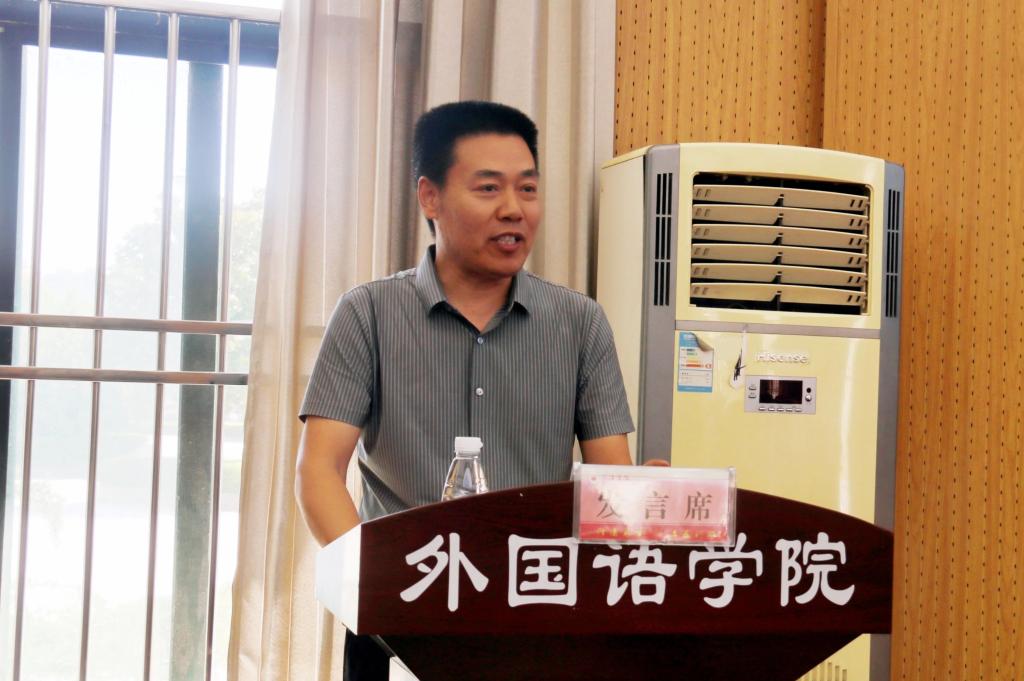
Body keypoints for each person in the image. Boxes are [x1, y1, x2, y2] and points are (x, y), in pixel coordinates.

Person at [295, 100, 637, 680]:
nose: (514, 209)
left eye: (528, 189)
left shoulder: (579, 322)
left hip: (536, 605)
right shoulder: (368, 313)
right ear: (430, 197)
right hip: (400, 609)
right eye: (488, 188)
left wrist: (649, 500)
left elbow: (612, 480)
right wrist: (372, 585)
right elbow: (319, 470)